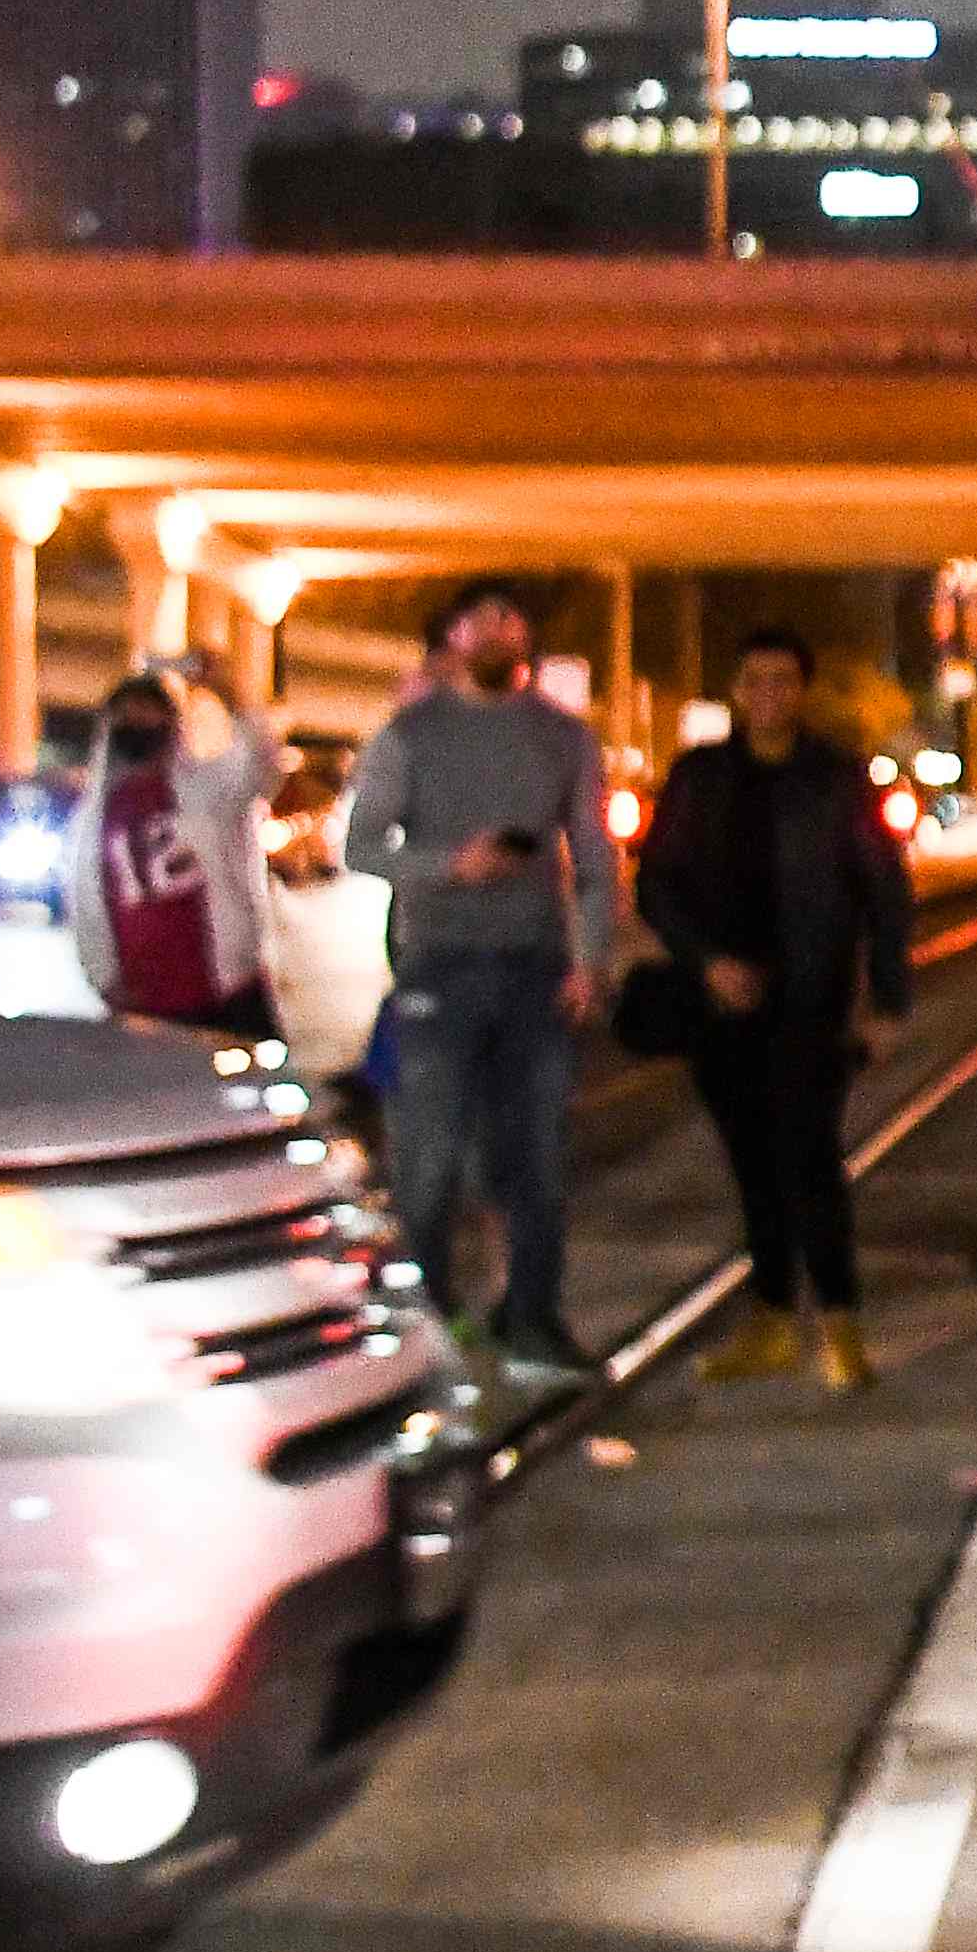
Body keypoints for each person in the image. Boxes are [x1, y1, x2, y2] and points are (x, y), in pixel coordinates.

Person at [338, 583, 621, 1374]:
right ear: (453, 636)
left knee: (535, 1155)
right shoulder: (410, 737)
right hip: (439, 967)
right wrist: (449, 867)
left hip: (536, 968)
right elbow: (360, 847)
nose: (507, 631)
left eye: (516, 618)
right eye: (488, 618)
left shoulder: (563, 739)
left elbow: (595, 857)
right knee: (425, 1159)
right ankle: (426, 1320)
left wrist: (593, 957)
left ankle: (531, 1315)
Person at [645, 633, 920, 1392]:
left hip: (812, 999)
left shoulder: (836, 779)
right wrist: (707, 961)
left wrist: (889, 998)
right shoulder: (699, 776)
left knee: (810, 1159)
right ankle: (770, 1317)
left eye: (785, 680)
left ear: (803, 691)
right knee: (751, 1165)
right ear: (736, 691)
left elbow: (884, 891)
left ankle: (839, 1324)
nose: (770, 693)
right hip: (722, 1006)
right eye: (756, 680)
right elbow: (659, 885)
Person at [57, 670, 274, 1040]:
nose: (139, 724)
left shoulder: (206, 790)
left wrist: (225, 686)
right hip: (147, 1008)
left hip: (228, 990)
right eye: (129, 716)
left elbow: (258, 762)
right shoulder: (91, 822)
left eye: (148, 713)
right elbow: (86, 908)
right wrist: (107, 981)